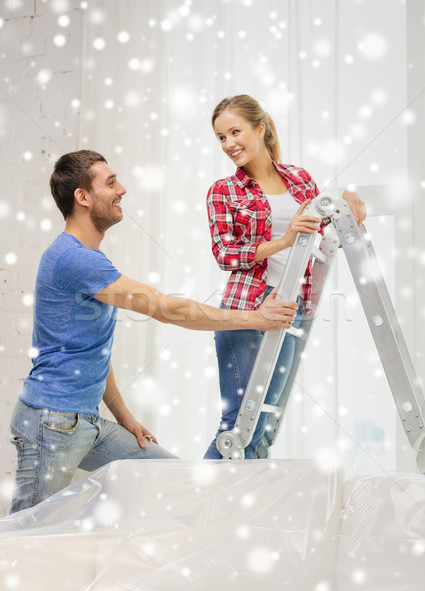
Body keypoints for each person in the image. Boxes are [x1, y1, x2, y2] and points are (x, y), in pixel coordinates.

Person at [9, 150, 298, 513]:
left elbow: (92, 351)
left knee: (173, 478)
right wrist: (257, 318)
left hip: (85, 422)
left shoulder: (88, 259)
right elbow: (167, 308)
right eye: (111, 183)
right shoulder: (73, 259)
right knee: (25, 534)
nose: (122, 190)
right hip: (51, 422)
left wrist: (124, 417)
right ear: (82, 198)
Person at [204, 94, 366, 459]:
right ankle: (204, 509)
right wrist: (284, 241)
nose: (229, 144)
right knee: (238, 427)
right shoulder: (223, 191)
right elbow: (225, 253)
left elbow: (325, 236)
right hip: (247, 310)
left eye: (235, 132)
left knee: (263, 428)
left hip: (292, 305)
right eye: (221, 137)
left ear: (260, 129)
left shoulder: (299, 178)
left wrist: (347, 199)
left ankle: (247, 508)